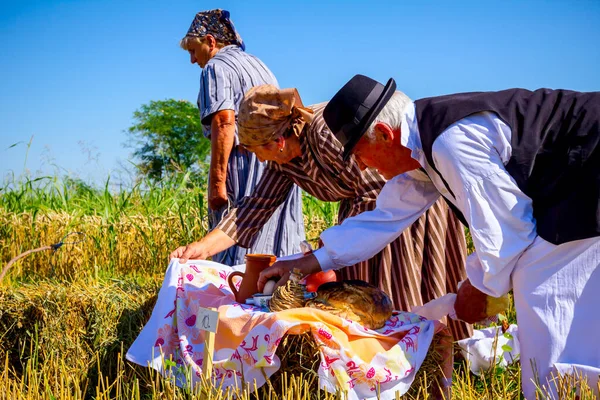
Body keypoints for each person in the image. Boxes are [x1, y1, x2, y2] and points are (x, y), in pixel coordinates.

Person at [259, 74, 600, 398]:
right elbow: (384, 218)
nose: (362, 167)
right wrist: (307, 262)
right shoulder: (422, 151)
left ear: (383, 134)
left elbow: (506, 231)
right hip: (577, 183)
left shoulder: (451, 143)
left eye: (360, 154)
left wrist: (479, 288)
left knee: (544, 297)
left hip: (586, 174)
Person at [170, 84, 472, 340]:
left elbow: (375, 186)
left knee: (396, 296)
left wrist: (330, 251)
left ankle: (419, 356)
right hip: (362, 223)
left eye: (254, 150)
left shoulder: (324, 133)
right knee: (362, 303)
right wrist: (201, 248)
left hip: (401, 209)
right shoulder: (283, 161)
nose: (257, 158)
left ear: (276, 141)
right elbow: (253, 209)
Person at [177, 9, 304, 265]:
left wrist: (217, 184)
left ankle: (236, 295)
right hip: (278, 159)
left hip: (246, 164)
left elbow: (224, 121)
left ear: (211, 42)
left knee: (239, 232)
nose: (192, 60)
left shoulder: (215, 67)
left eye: (193, 50)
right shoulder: (258, 63)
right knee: (277, 236)